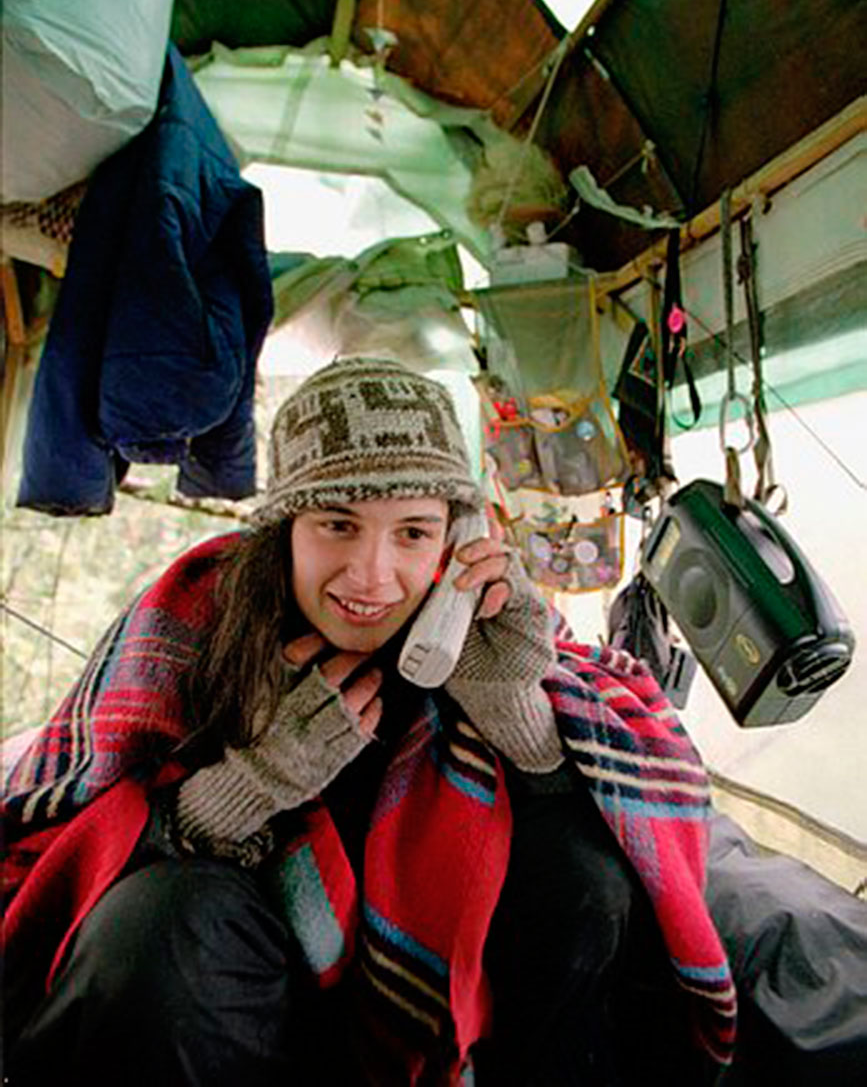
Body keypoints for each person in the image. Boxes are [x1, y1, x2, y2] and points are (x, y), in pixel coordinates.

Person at [2, 356, 736, 1086]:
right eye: (337, 523)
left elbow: (606, 835)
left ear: (455, 535)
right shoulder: (197, 616)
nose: (371, 576)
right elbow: (66, 850)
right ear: (286, 523)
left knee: (586, 871)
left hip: (430, 992)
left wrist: (508, 705)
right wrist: (252, 783)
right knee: (161, 920)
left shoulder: (494, 619)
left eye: (412, 532)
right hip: (241, 996)